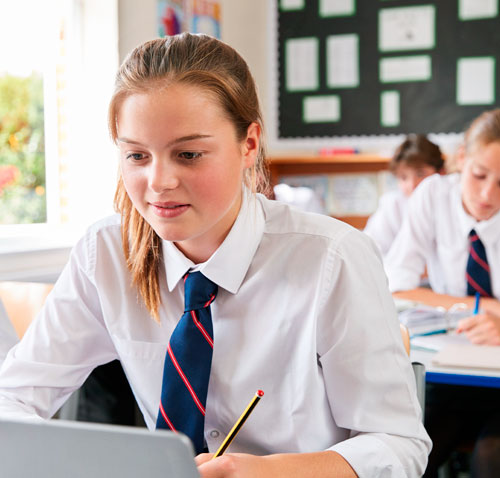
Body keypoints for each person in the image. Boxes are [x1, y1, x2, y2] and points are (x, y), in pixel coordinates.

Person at [0, 33, 429, 477]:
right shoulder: (106, 253)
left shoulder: (332, 259)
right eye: (136, 155)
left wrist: (268, 472)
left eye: (188, 154)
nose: (159, 181)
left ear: (249, 145)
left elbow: (400, 446)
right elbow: (12, 398)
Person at [385, 109, 500, 477]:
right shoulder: (433, 195)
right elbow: (397, 286)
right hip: (452, 368)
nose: (487, 194)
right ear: (461, 158)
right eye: (480, 175)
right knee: (407, 455)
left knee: (489, 460)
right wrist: (487, 308)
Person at [364, 134, 444, 257]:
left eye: (420, 174)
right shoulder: (392, 205)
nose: (412, 185)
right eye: (403, 177)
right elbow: (371, 250)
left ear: (441, 172)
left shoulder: (451, 203)